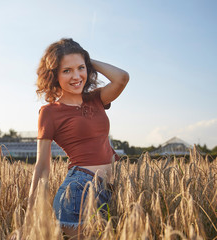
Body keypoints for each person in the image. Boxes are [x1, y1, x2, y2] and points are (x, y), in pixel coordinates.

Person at [27, 38, 129, 239]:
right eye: (66, 70)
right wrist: (29, 217)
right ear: (54, 75)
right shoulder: (49, 112)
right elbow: (42, 166)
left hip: (114, 188)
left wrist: (88, 60)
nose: (76, 76)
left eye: (80, 68)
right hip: (78, 191)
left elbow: (122, 78)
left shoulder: (96, 99)